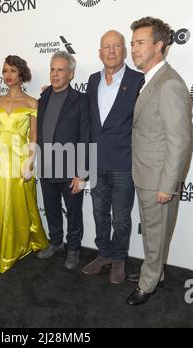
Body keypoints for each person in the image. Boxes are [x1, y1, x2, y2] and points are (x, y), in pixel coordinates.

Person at [126, 17, 192, 305]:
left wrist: (168, 184)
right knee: (154, 232)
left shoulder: (169, 84)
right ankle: (155, 273)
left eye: (140, 43)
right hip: (146, 174)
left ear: (159, 46)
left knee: (155, 231)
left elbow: (180, 140)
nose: (133, 49)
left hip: (158, 180)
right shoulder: (150, 80)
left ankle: (148, 284)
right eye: (132, 43)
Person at [82, 31, 143, 284]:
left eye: (116, 46)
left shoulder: (138, 80)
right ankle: (104, 254)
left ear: (124, 51)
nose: (111, 51)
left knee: (120, 217)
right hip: (97, 162)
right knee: (99, 213)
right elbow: (88, 121)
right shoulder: (93, 79)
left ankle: (119, 258)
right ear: (99, 52)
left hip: (123, 163)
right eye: (106, 46)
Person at [0, 55, 48, 273]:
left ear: (21, 74)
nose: (8, 75)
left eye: (12, 70)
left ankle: (22, 242)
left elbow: (33, 137)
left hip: (21, 160)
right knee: (2, 203)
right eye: (5, 71)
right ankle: (5, 241)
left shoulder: (32, 103)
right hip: (1, 160)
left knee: (22, 204)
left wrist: (30, 162)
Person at [36, 51, 90, 270]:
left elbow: (86, 136)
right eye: (52, 69)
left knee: (74, 212)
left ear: (71, 74)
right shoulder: (44, 97)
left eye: (60, 69)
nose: (55, 74)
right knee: (51, 208)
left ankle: (74, 249)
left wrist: (82, 173)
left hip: (70, 169)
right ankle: (56, 242)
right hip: (47, 166)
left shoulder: (81, 100)